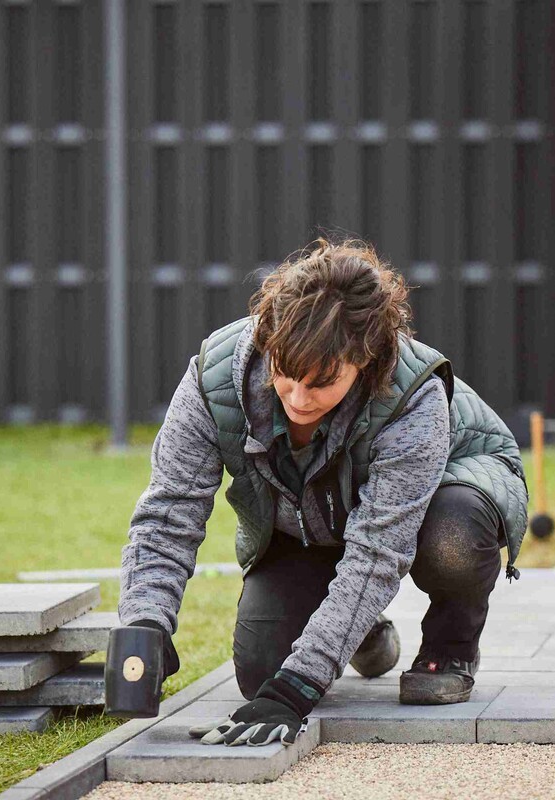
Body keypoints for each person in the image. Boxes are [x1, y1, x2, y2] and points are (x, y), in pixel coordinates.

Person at [118, 236, 529, 748]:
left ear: (367, 358)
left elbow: (379, 550)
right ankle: (362, 628)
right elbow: (169, 512)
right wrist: (145, 621)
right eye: (286, 375)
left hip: (454, 486)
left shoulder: (414, 396)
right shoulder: (214, 379)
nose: (297, 397)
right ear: (268, 340)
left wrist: (296, 690)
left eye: (322, 382)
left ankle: (450, 646)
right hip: (311, 522)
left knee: (452, 538)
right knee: (261, 671)